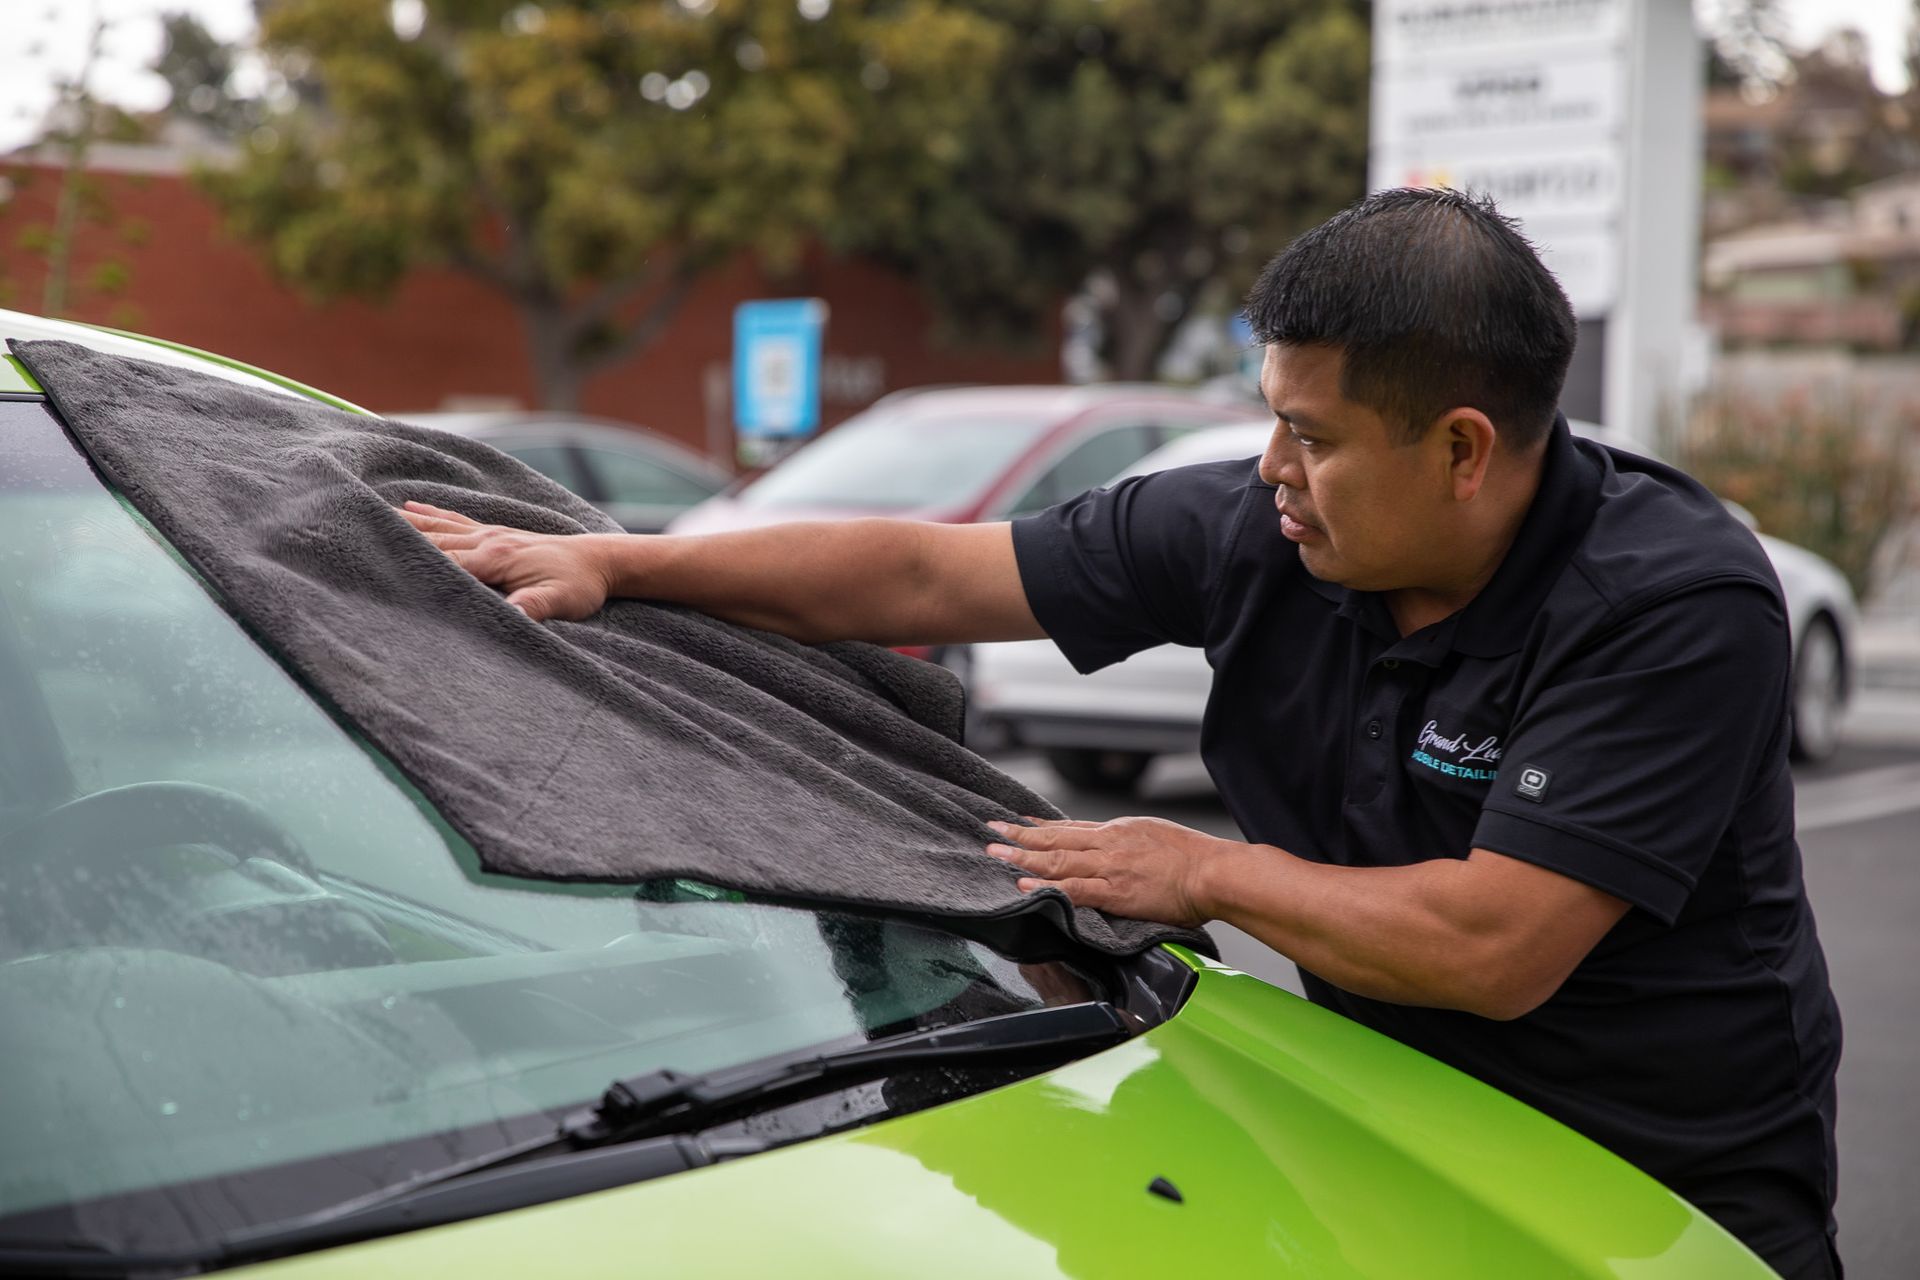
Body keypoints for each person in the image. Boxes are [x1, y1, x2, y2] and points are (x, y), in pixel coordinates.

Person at [400, 187, 1841, 1278]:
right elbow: (925, 572)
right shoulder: (1258, 527)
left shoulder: (1673, 603)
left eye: (1316, 438)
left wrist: (1200, 873)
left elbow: (1495, 948)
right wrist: (624, 567)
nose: (1271, 468)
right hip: (1373, 1111)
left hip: (1661, 1177)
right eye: (1269, 417)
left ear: (1463, 449)